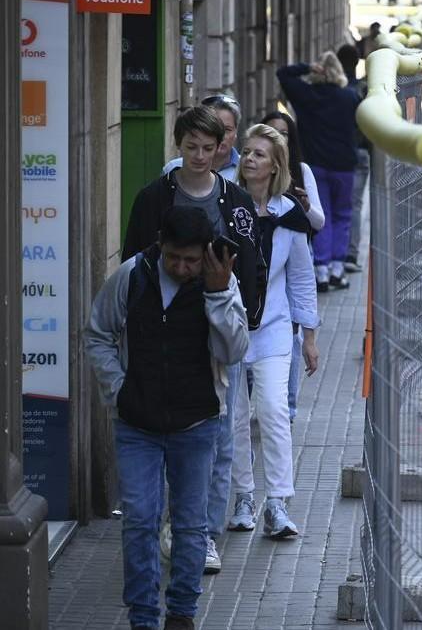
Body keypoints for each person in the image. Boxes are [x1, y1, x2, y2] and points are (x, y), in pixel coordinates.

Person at [85, 206, 250, 630]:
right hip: (136, 423)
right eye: (174, 257)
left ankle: (181, 613)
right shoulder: (132, 276)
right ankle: (143, 616)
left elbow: (234, 353)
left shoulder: (219, 282)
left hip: (196, 424)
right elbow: (98, 333)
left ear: (205, 255)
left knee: (191, 525)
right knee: (139, 519)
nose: (181, 267)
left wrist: (216, 293)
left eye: (191, 260)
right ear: (161, 246)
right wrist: (117, 389)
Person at [123, 106, 264, 574]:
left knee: (221, 438)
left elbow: (251, 262)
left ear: (223, 146)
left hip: (219, 334)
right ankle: (172, 523)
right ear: (177, 145)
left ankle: (202, 533)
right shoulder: (152, 199)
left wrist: (247, 319)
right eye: (192, 148)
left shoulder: (236, 200)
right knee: (164, 433)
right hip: (163, 337)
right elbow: (132, 264)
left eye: (210, 147)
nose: (201, 156)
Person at [227, 124, 320, 539]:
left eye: (259, 154)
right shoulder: (225, 205)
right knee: (234, 417)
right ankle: (244, 496)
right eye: (246, 151)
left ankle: (278, 503)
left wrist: (310, 336)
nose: (249, 158)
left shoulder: (289, 215)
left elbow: (301, 277)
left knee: (273, 410)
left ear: (275, 165)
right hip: (227, 327)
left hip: (274, 327)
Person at [276, 52, 362, 292]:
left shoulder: (306, 96)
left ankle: (321, 272)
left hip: (315, 166)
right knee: (343, 215)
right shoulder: (350, 97)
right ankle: (337, 269)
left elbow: (283, 73)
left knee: (320, 216)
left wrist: (307, 66)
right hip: (344, 166)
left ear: (318, 71)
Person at [262, 110, 324, 424]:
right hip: (266, 266)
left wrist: (304, 206)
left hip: (296, 258)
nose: (278, 138)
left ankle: (288, 407)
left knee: (293, 331)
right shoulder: (251, 179)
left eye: (283, 133)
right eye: (271, 131)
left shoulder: (301, 170)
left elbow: (319, 222)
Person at [336, 43, 371, 274]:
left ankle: (334, 256)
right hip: (359, 152)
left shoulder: (334, 91)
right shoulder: (363, 90)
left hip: (336, 155)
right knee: (354, 206)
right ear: (357, 62)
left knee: (333, 207)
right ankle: (350, 254)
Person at [163, 94, 242, 181]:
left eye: (227, 129)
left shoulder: (246, 168)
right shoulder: (173, 169)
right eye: (214, 128)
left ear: (235, 133)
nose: (221, 135)